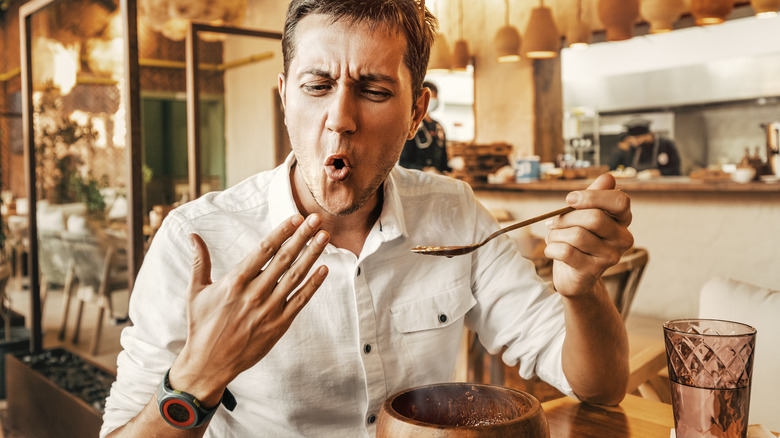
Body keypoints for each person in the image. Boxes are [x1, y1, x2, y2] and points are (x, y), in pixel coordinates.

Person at [101, 0, 634, 436]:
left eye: (374, 91)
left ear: (416, 113)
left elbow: (599, 388)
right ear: (285, 97)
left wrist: (582, 292)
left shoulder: (455, 214)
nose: (340, 121)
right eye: (316, 87)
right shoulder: (197, 239)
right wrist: (197, 378)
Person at [399, 80, 450, 174]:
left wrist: (449, 169)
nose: (435, 99)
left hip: (436, 181)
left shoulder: (439, 127)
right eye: (433, 97)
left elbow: (444, 161)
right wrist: (425, 170)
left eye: (436, 97)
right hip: (415, 181)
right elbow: (403, 163)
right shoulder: (412, 125)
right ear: (422, 98)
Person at [608, 118, 681, 176]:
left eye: (638, 138)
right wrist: (629, 171)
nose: (636, 142)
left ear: (648, 134)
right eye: (632, 138)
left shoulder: (665, 144)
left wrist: (659, 173)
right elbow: (628, 165)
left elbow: (675, 170)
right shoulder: (634, 147)